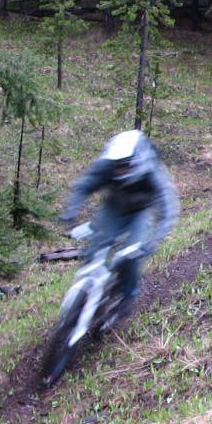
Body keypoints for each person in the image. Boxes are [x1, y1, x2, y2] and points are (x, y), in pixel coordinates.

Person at [60, 130, 179, 328]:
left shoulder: (151, 173)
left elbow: (167, 209)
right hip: (113, 207)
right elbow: (85, 184)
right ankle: (85, 294)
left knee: (130, 256)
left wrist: (153, 241)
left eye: (125, 166)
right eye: (117, 166)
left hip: (140, 213)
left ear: (136, 160)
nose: (119, 171)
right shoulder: (107, 165)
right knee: (94, 250)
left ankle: (126, 296)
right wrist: (71, 209)